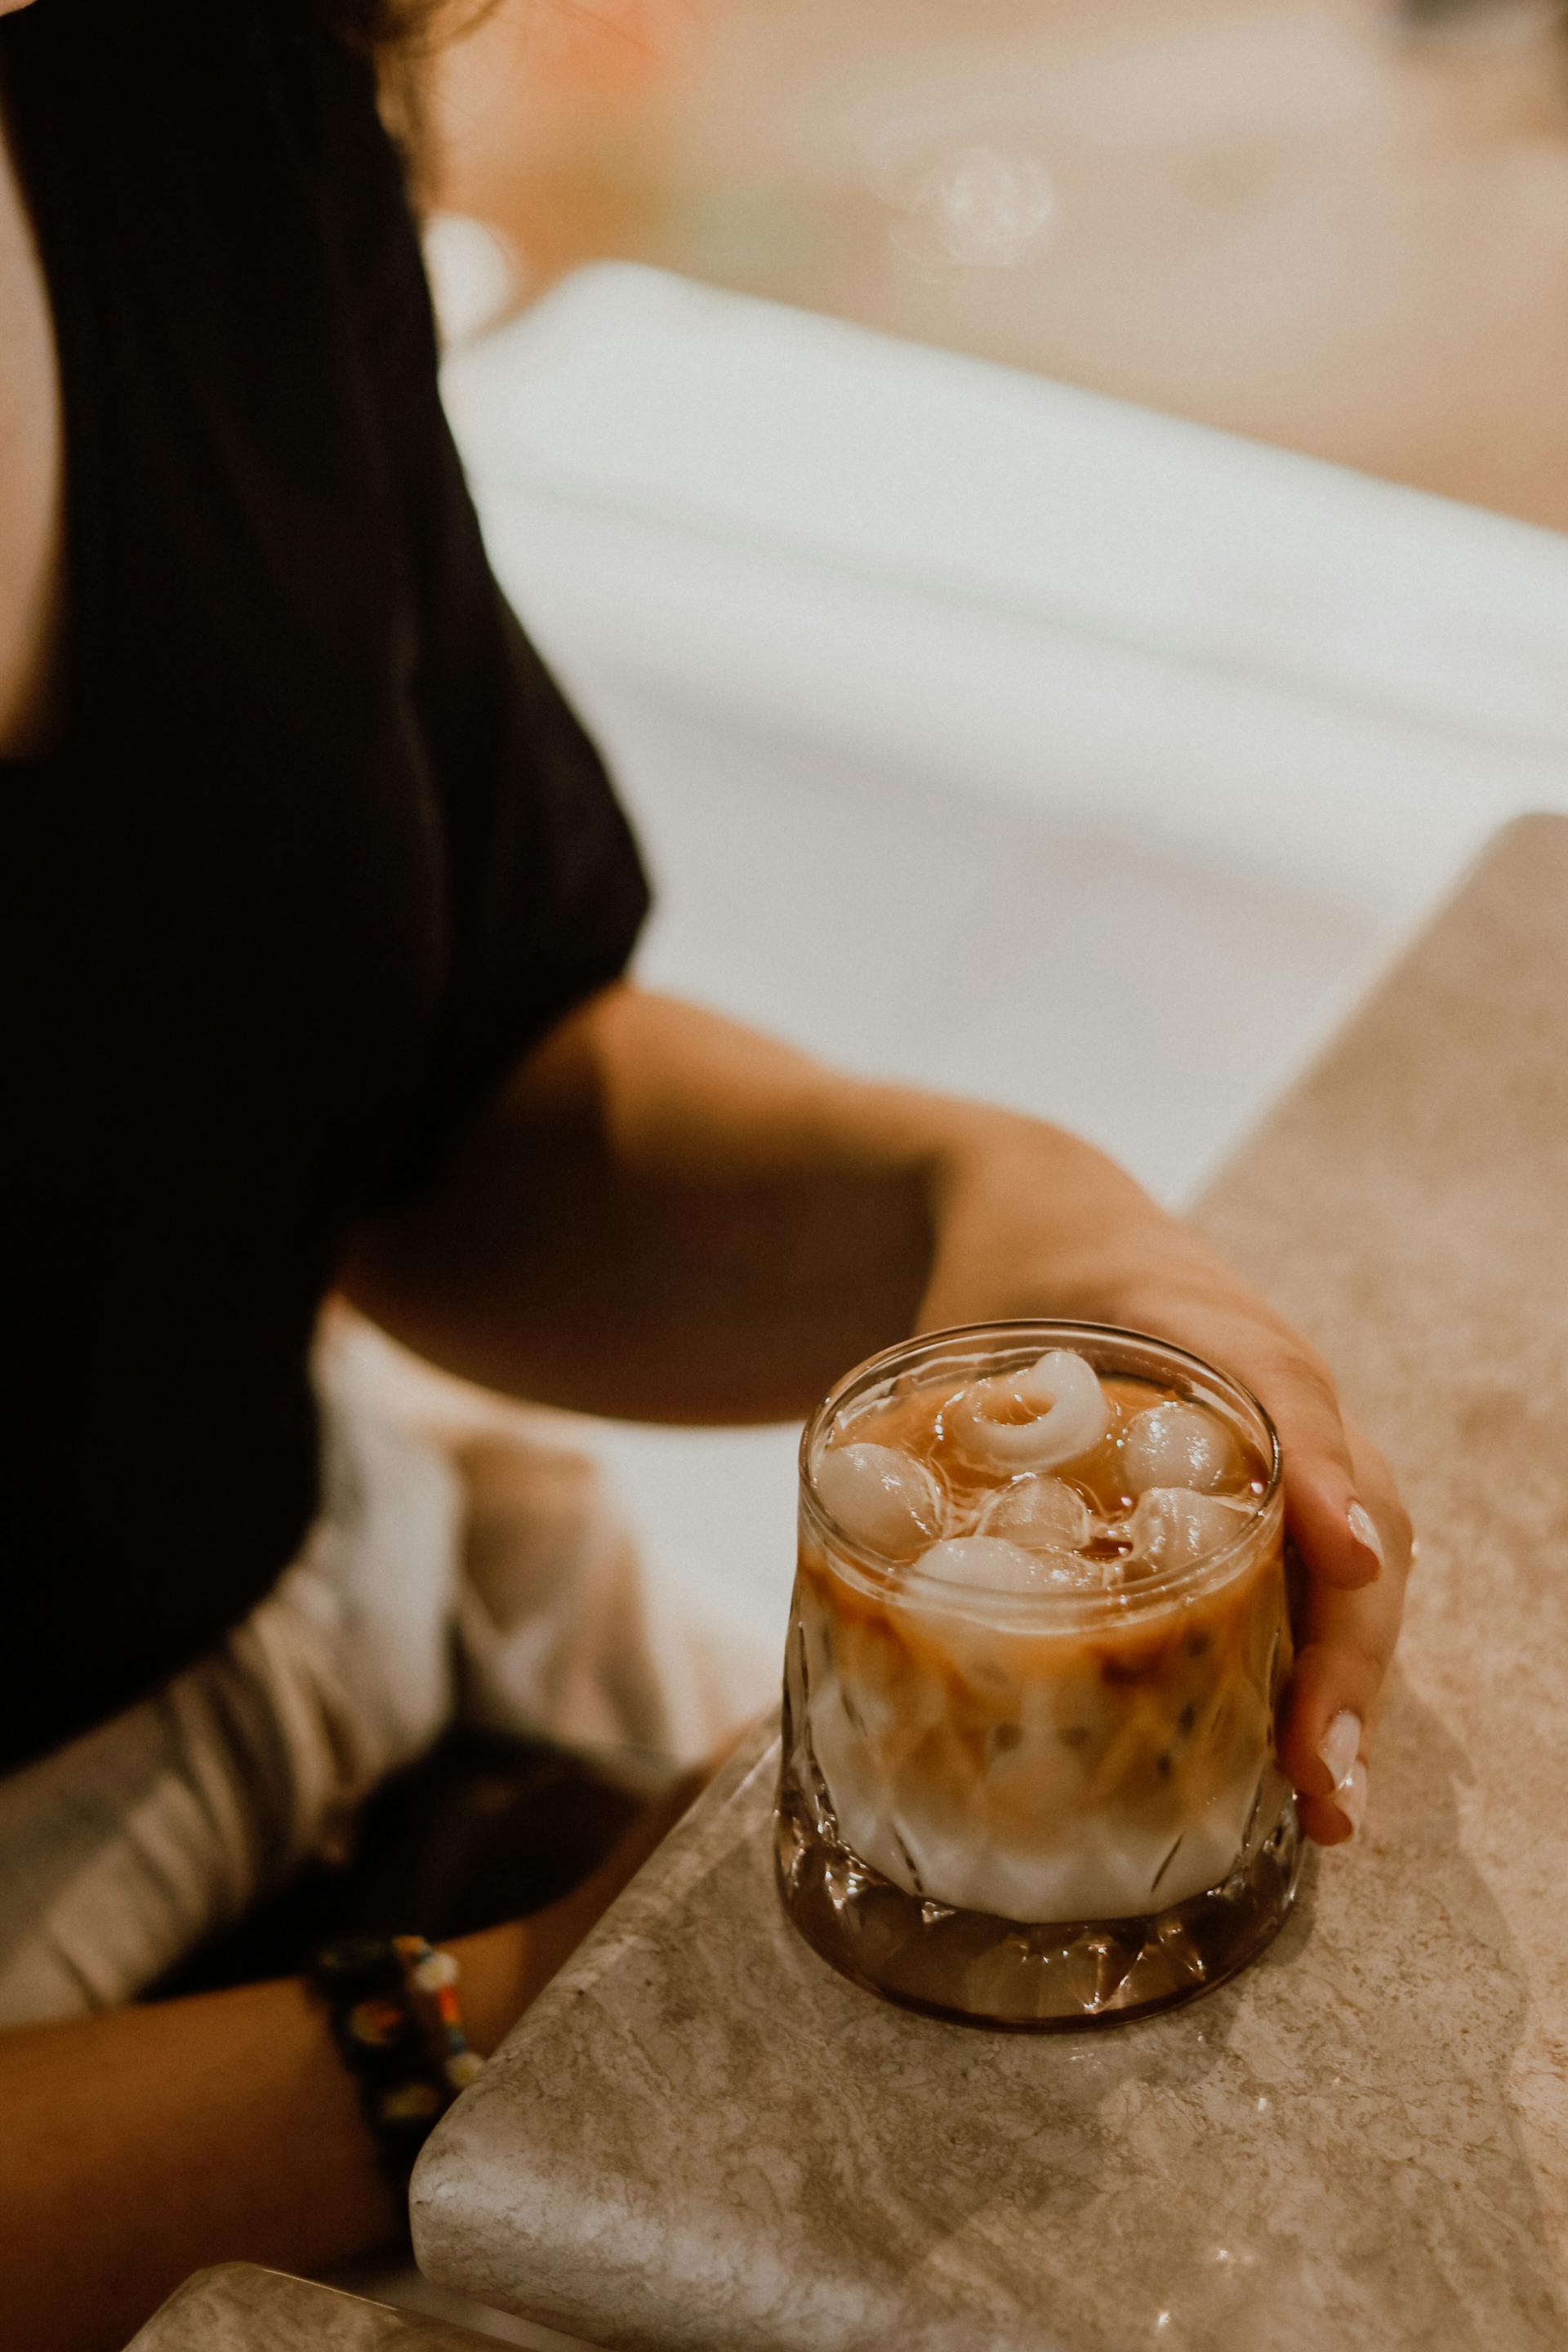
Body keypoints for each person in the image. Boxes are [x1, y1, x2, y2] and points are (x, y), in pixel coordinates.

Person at [0, 1, 1413, 2345]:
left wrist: (991, 1213)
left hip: (362, 1728)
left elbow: (439, 1089)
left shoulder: (172, 70)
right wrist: (506, 2005)